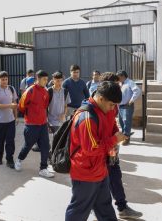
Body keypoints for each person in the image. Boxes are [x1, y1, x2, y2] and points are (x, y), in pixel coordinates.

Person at [65, 81, 127, 221]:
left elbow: (110, 130)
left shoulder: (103, 111)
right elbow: (90, 149)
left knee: (105, 208)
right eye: (111, 105)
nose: (113, 109)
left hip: (100, 170)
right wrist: (113, 141)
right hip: (85, 173)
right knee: (78, 211)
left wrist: (115, 139)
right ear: (101, 98)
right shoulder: (87, 117)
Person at [98, 72, 143, 219]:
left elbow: (112, 124)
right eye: (116, 85)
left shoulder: (113, 104)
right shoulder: (95, 107)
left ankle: (122, 207)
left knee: (115, 175)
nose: (119, 87)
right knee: (96, 184)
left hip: (111, 148)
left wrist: (118, 136)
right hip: (99, 150)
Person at [15, 70, 54, 178]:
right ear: (38, 79)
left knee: (45, 146)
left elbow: (45, 106)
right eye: (44, 79)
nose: (46, 81)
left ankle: (43, 168)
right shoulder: (30, 91)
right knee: (28, 146)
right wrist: (31, 114)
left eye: (47, 79)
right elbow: (21, 106)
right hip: (31, 125)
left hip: (43, 124)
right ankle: (19, 160)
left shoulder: (45, 91)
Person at [0, 71, 18, 168]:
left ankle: (9, 159)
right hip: (0, 121)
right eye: (2, 79)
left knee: (10, 141)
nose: (4, 81)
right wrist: (10, 105)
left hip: (10, 120)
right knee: (0, 141)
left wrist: (16, 117)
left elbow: (15, 104)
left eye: (6, 79)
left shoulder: (11, 88)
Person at [116, 70, 142, 146]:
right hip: (120, 105)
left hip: (127, 106)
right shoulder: (121, 83)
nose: (118, 79)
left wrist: (131, 100)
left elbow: (137, 90)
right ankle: (124, 136)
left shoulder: (130, 82)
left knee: (126, 122)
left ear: (123, 76)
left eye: (119, 77)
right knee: (121, 122)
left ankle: (126, 138)